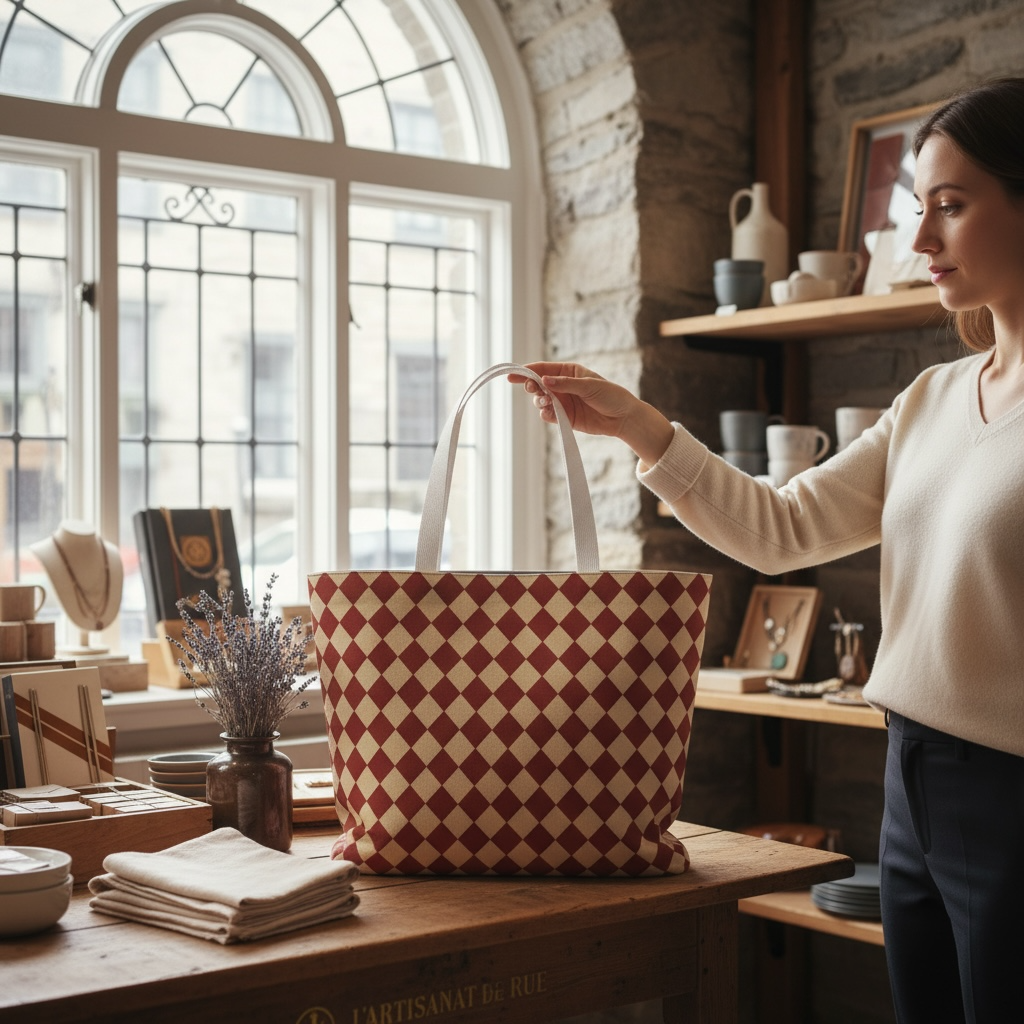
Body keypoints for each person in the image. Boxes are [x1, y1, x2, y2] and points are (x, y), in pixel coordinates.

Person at [511, 76, 1024, 1024]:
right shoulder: (931, 399)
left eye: (951, 206)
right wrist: (637, 426)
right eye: (918, 206)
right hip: (908, 777)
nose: (920, 239)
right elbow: (779, 531)